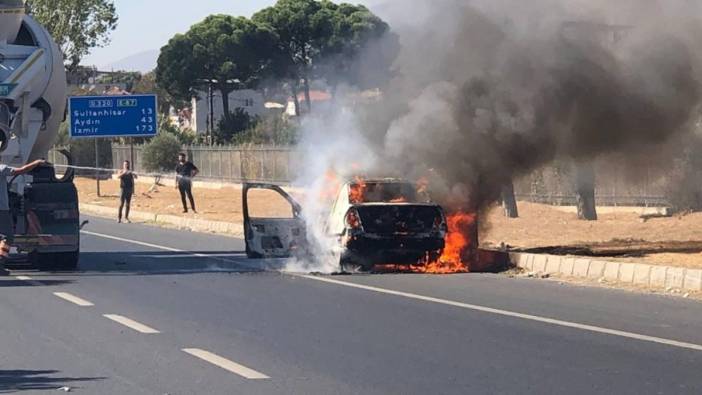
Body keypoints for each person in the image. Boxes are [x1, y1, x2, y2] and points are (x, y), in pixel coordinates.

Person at [0, 159, 46, 274]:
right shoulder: (1, 168)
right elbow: (21, 170)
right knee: (7, 237)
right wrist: (36, 163)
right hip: (1, 209)